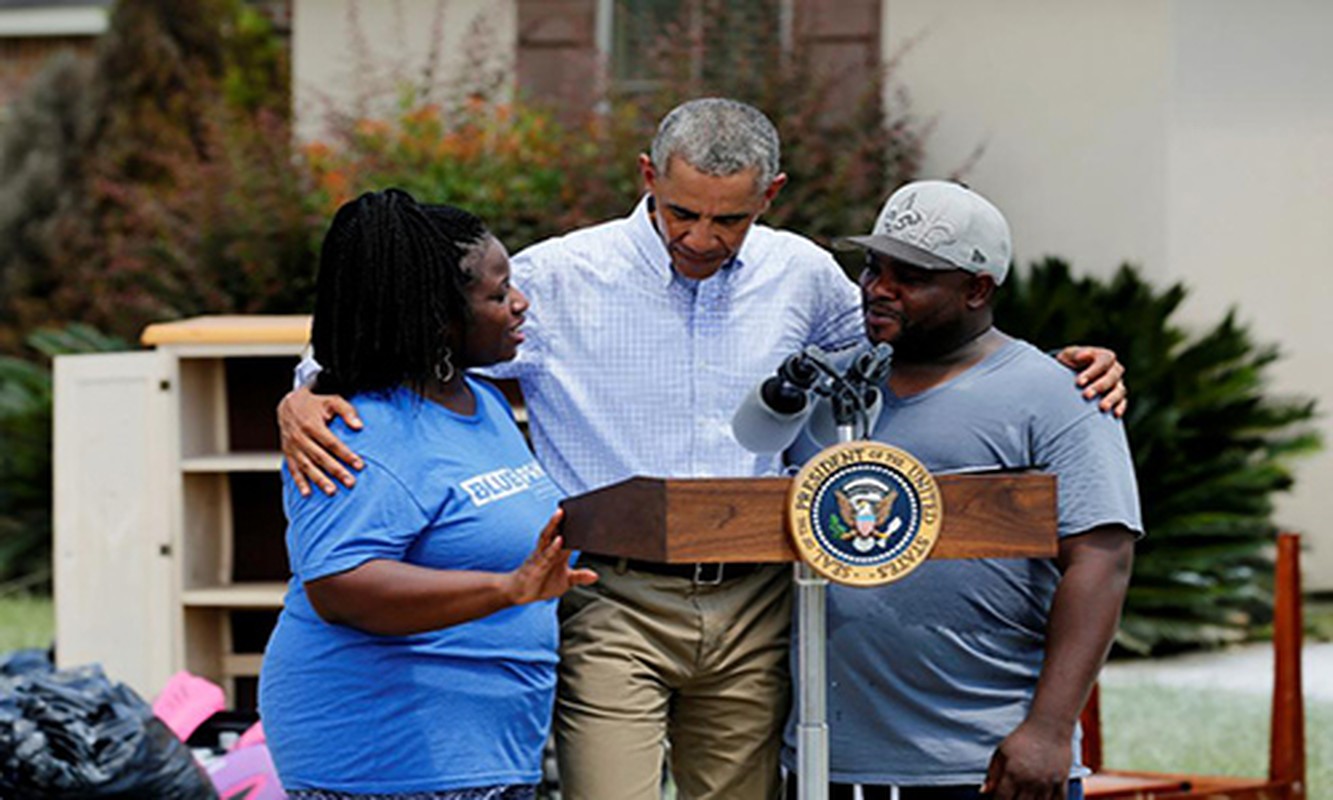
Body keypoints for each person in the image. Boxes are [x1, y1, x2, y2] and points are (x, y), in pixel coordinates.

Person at [278, 100, 1127, 800]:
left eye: (730, 218)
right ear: (648, 178)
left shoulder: (802, 276)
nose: (700, 237)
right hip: (607, 596)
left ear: (772, 195)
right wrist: (300, 397)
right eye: (682, 211)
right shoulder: (561, 276)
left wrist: (1057, 369)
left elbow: (907, 343)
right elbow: (392, 333)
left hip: (758, 597)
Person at [782, 180, 1141, 800]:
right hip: (824, 761)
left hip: (986, 763)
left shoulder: (1060, 396)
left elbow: (1102, 559)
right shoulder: (823, 386)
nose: (878, 288)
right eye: (873, 267)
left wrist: (1051, 731)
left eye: (910, 276)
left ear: (977, 288)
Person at [258, 189, 597, 800]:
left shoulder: (485, 402)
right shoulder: (357, 431)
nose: (519, 305)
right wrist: (508, 589)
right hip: (387, 756)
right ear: (437, 318)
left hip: (487, 750)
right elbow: (341, 586)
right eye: (497, 296)